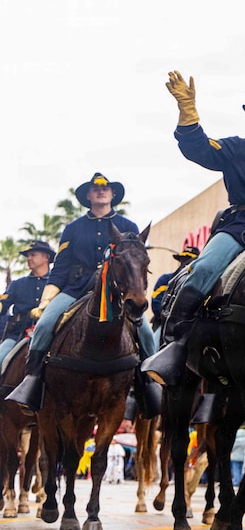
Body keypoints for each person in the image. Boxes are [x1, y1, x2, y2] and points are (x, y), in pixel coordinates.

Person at [142, 77, 245, 387]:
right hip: (241, 227)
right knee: (203, 267)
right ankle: (176, 346)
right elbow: (199, 150)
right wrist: (187, 110)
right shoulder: (237, 148)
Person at [8, 173, 152, 411]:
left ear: (112, 194)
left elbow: (136, 263)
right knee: (44, 325)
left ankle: (147, 387)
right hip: (76, 288)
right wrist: (46, 301)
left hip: (116, 292)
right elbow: (61, 267)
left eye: (105, 188)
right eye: (95, 188)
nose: (101, 191)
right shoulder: (73, 228)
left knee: (145, 332)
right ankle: (31, 382)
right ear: (88, 195)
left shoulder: (129, 227)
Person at [0, 240, 54, 365]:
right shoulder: (17, 284)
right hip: (18, 335)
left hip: (51, 334)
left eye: (33, 254)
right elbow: (3, 305)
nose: (29, 258)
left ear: (46, 257)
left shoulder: (56, 283)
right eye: (27, 256)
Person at [150, 245, 200, 334]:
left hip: (190, 326)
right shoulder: (165, 279)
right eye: (183, 259)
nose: (185, 262)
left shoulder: (198, 284)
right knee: (152, 343)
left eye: (189, 259)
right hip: (163, 324)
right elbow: (156, 303)